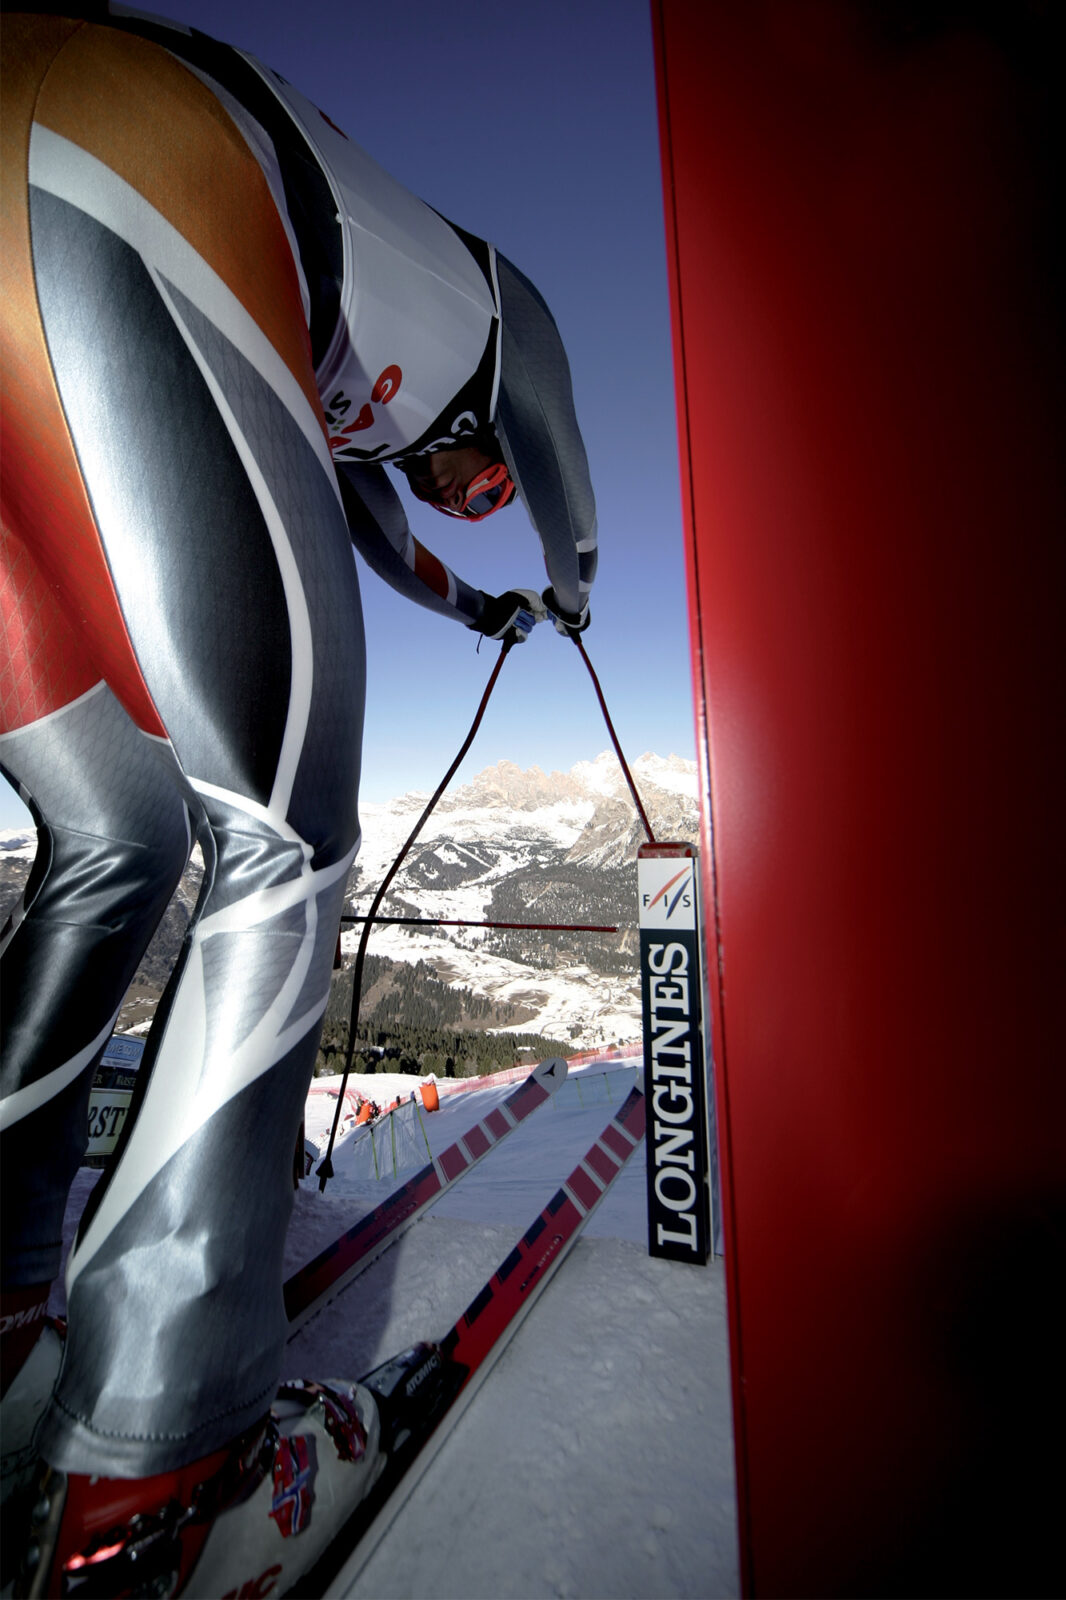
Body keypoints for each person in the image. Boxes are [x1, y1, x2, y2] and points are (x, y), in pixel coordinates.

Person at [0, 6, 597, 1594]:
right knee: (278, 840)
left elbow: (338, 507)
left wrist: (473, 610)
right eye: (469, 481)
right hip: (116, 153)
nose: (464, 489)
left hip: (42, 199)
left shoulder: (336, 392)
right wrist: (570, 571)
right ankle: (159, 1471)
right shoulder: (484, 306)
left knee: (112, 832)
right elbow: (544, 414)